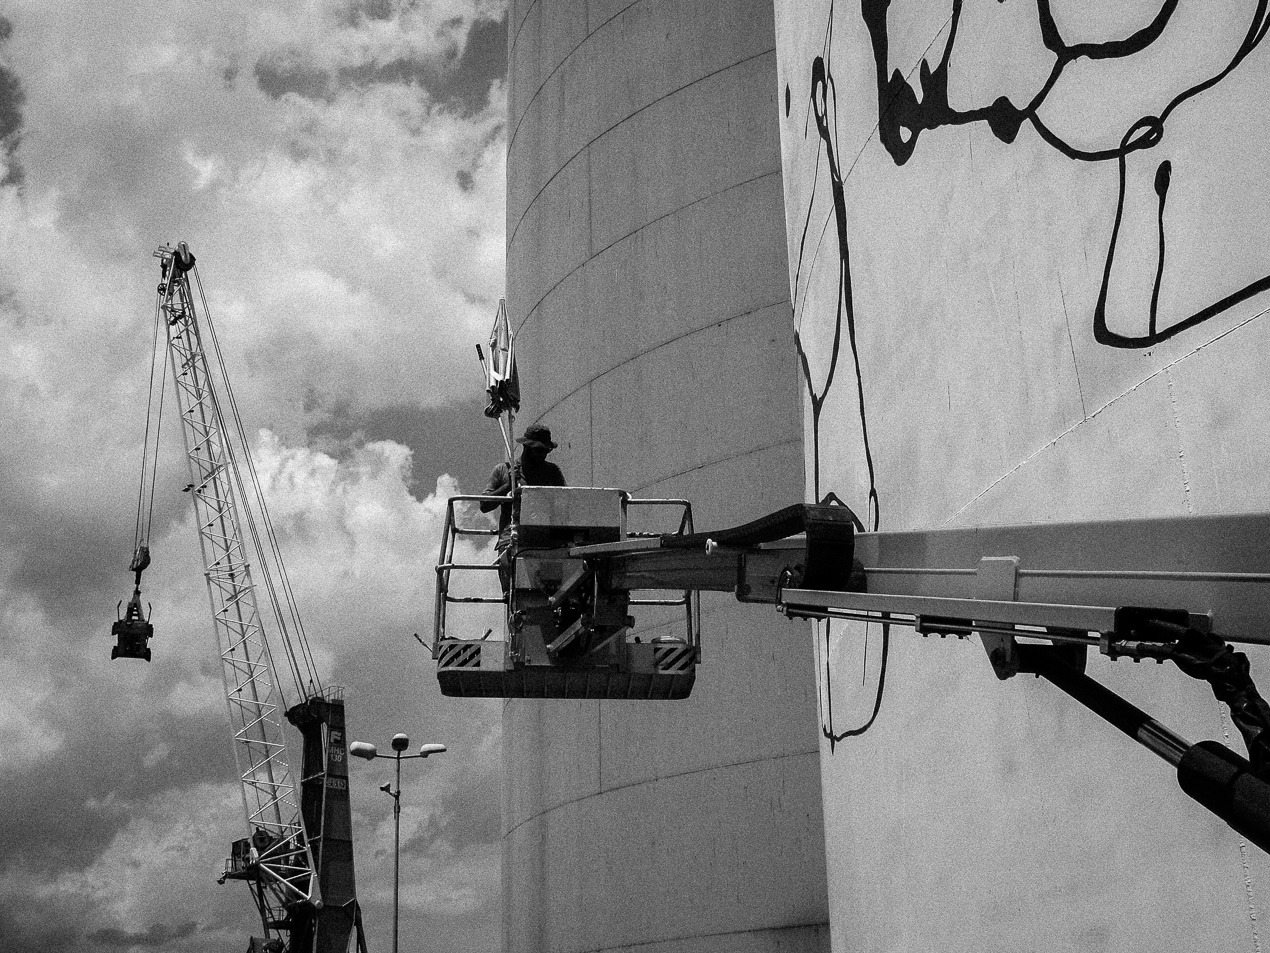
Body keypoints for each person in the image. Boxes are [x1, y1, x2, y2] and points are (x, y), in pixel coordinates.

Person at [480, 423, 566, 591]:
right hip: (512, 541)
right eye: (539, 450)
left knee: (550, 595)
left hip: (546, 542)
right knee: (515, 595)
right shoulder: (503, 470)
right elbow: (484, 505)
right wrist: (507, 486)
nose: (543, 455)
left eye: (546, 451)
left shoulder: (553, 472)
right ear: (526, 447)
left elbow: (565, 505)